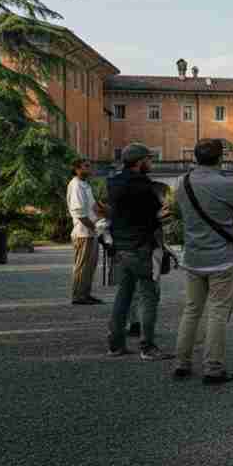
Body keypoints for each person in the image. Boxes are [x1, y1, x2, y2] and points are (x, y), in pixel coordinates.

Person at [173, 139, 233, 385]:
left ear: (195, 157)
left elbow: (180, 213)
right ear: (220, 158)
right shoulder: (227, 184)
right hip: (222, 258)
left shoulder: (181, 183)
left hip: (193, 256)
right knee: (217, 311)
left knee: (191, 309)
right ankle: (213, 367)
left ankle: (181, 363)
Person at [105, 144, 171, 360]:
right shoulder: (144, 186)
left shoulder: (113, 182)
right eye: (149, 160)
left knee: (123, 295)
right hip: (141, 246)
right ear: (140, 161)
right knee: (148, 296)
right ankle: (148, 347)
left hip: (120, 247)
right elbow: (155, 215)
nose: (151, 163)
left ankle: (115, 345)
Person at [66, 158, 104, 305]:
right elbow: (79, 213)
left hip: (91, 232)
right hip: (82, 232)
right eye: (86, 166)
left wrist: (105, 214)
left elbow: (94, 207)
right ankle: (78, 296)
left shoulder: (85, 185)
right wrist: (95, 227)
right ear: (77, 169)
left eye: (90, 166)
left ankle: (86, 294)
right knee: (82, 265)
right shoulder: (75, 186)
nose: (90, 169)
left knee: (90, 266)